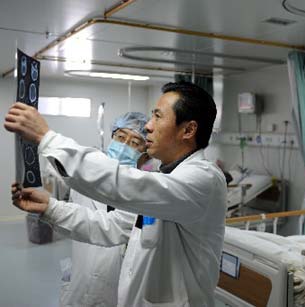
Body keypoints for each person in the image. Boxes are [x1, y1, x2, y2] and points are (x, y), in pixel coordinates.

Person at [6, 81, 227, 307]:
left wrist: (47, 138)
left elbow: (124, 183)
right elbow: (109, 225)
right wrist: (50, 208)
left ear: (188, 130)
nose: (148, 126)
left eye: (158, 117)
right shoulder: (167, 183)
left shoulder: (203, 180)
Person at [59, 112, 149, 307]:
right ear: (112, 138)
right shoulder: (87, 178)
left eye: (135, 142)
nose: (125, 145)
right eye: (120, 137)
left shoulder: (147, 194)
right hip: (79, 287)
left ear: (145, 153)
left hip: (117, 294)